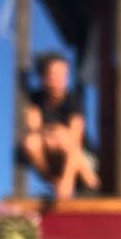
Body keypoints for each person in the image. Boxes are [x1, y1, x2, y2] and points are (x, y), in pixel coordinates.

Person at [23, 52, 100, 199]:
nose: (59, 79)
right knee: (31, 142)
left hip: (82, 159)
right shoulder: (36, 99)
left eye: (63, 74)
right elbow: (33, 128)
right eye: (54, 74)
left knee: (63, 136)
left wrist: (67, 180)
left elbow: (74, 141)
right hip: (52, 160)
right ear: (43, 76)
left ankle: (92, 186)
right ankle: (56, 184)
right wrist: (51, 133)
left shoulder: (73, 101)